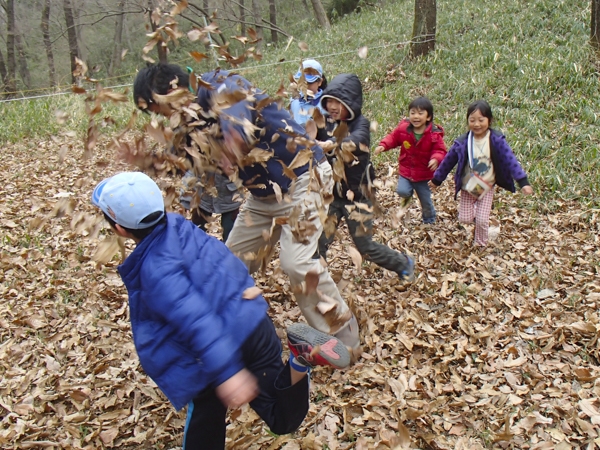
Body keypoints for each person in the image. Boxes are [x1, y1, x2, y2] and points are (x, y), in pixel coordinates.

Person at [91, 171, 351, 450]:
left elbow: (196, 319)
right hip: (253, 324)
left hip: (217, 355)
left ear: (119, 229)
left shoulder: (153, 269)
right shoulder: (180, 225)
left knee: (206, 418)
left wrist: (228, 371)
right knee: (280, 419)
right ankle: (300, 359)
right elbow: (224, 261)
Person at [150, 67, 360, 354]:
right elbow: (193, 167)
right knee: (229, 264)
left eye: (159, 108)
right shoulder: (189, 122)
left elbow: (239, 121)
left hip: (305, 176)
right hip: (263, 195)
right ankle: (230, 331)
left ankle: (343, 336)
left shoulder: (219, 83)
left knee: (297, 262)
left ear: (171, 91)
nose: (164, 116)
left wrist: (229, 145)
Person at [317, 73, 415, 280]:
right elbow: (308, 133)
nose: (332, 106)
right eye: (329, 102)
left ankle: (403, 263)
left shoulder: (361, 123)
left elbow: (357, 141)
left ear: (350, 103)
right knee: (320, 240)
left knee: (365, 247)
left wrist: (332, 145)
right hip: (333, 194)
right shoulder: (325, 122)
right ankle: (318, 279)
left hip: (359, 195)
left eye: (338, 102)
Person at [132, 63, 242, 241]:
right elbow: (179, 159)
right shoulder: (179, 120)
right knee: (196, 229)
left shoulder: (213, 96)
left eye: (161, 111)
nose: (166, 117)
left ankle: (232, 260)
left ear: (171, 91)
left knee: (232, 232)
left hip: (228, 186)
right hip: (199, 186)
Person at [430, 100, 534, 246]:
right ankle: (479, 223)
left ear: (489, 121)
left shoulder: (497, 140)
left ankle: (481, 243)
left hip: (487, 186)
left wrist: (523, 182)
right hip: (468, 186)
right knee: (465, 218)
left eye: (481, 120)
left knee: (482, 219)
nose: (477, 124)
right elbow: (448, 161)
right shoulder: (463, 142)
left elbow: (511, 160)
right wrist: (437, 180)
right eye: (472, 120)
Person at [374, 97, 447, 224]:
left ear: (428, 117)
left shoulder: (433, 135)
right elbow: (393, 137)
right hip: (406, 170)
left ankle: (429, 220)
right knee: (402, 190)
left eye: (420, 113)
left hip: (424, 174)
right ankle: (407, 200)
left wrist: (436, 159)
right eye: (412, 113)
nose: (416, 116)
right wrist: (383, 145)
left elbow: (440, 150)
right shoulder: (404, 129)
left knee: (425, 200)